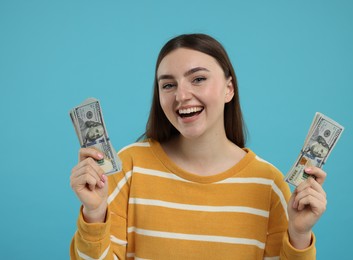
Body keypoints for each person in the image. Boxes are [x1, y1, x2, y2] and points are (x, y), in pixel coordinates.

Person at [70, 33, 327, 259]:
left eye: (198, 79)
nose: (181, 95)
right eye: (168, 85)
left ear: (229, 89)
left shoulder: (269, 184)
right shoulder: (128, 168)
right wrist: (94, 213)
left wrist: (299, 235)